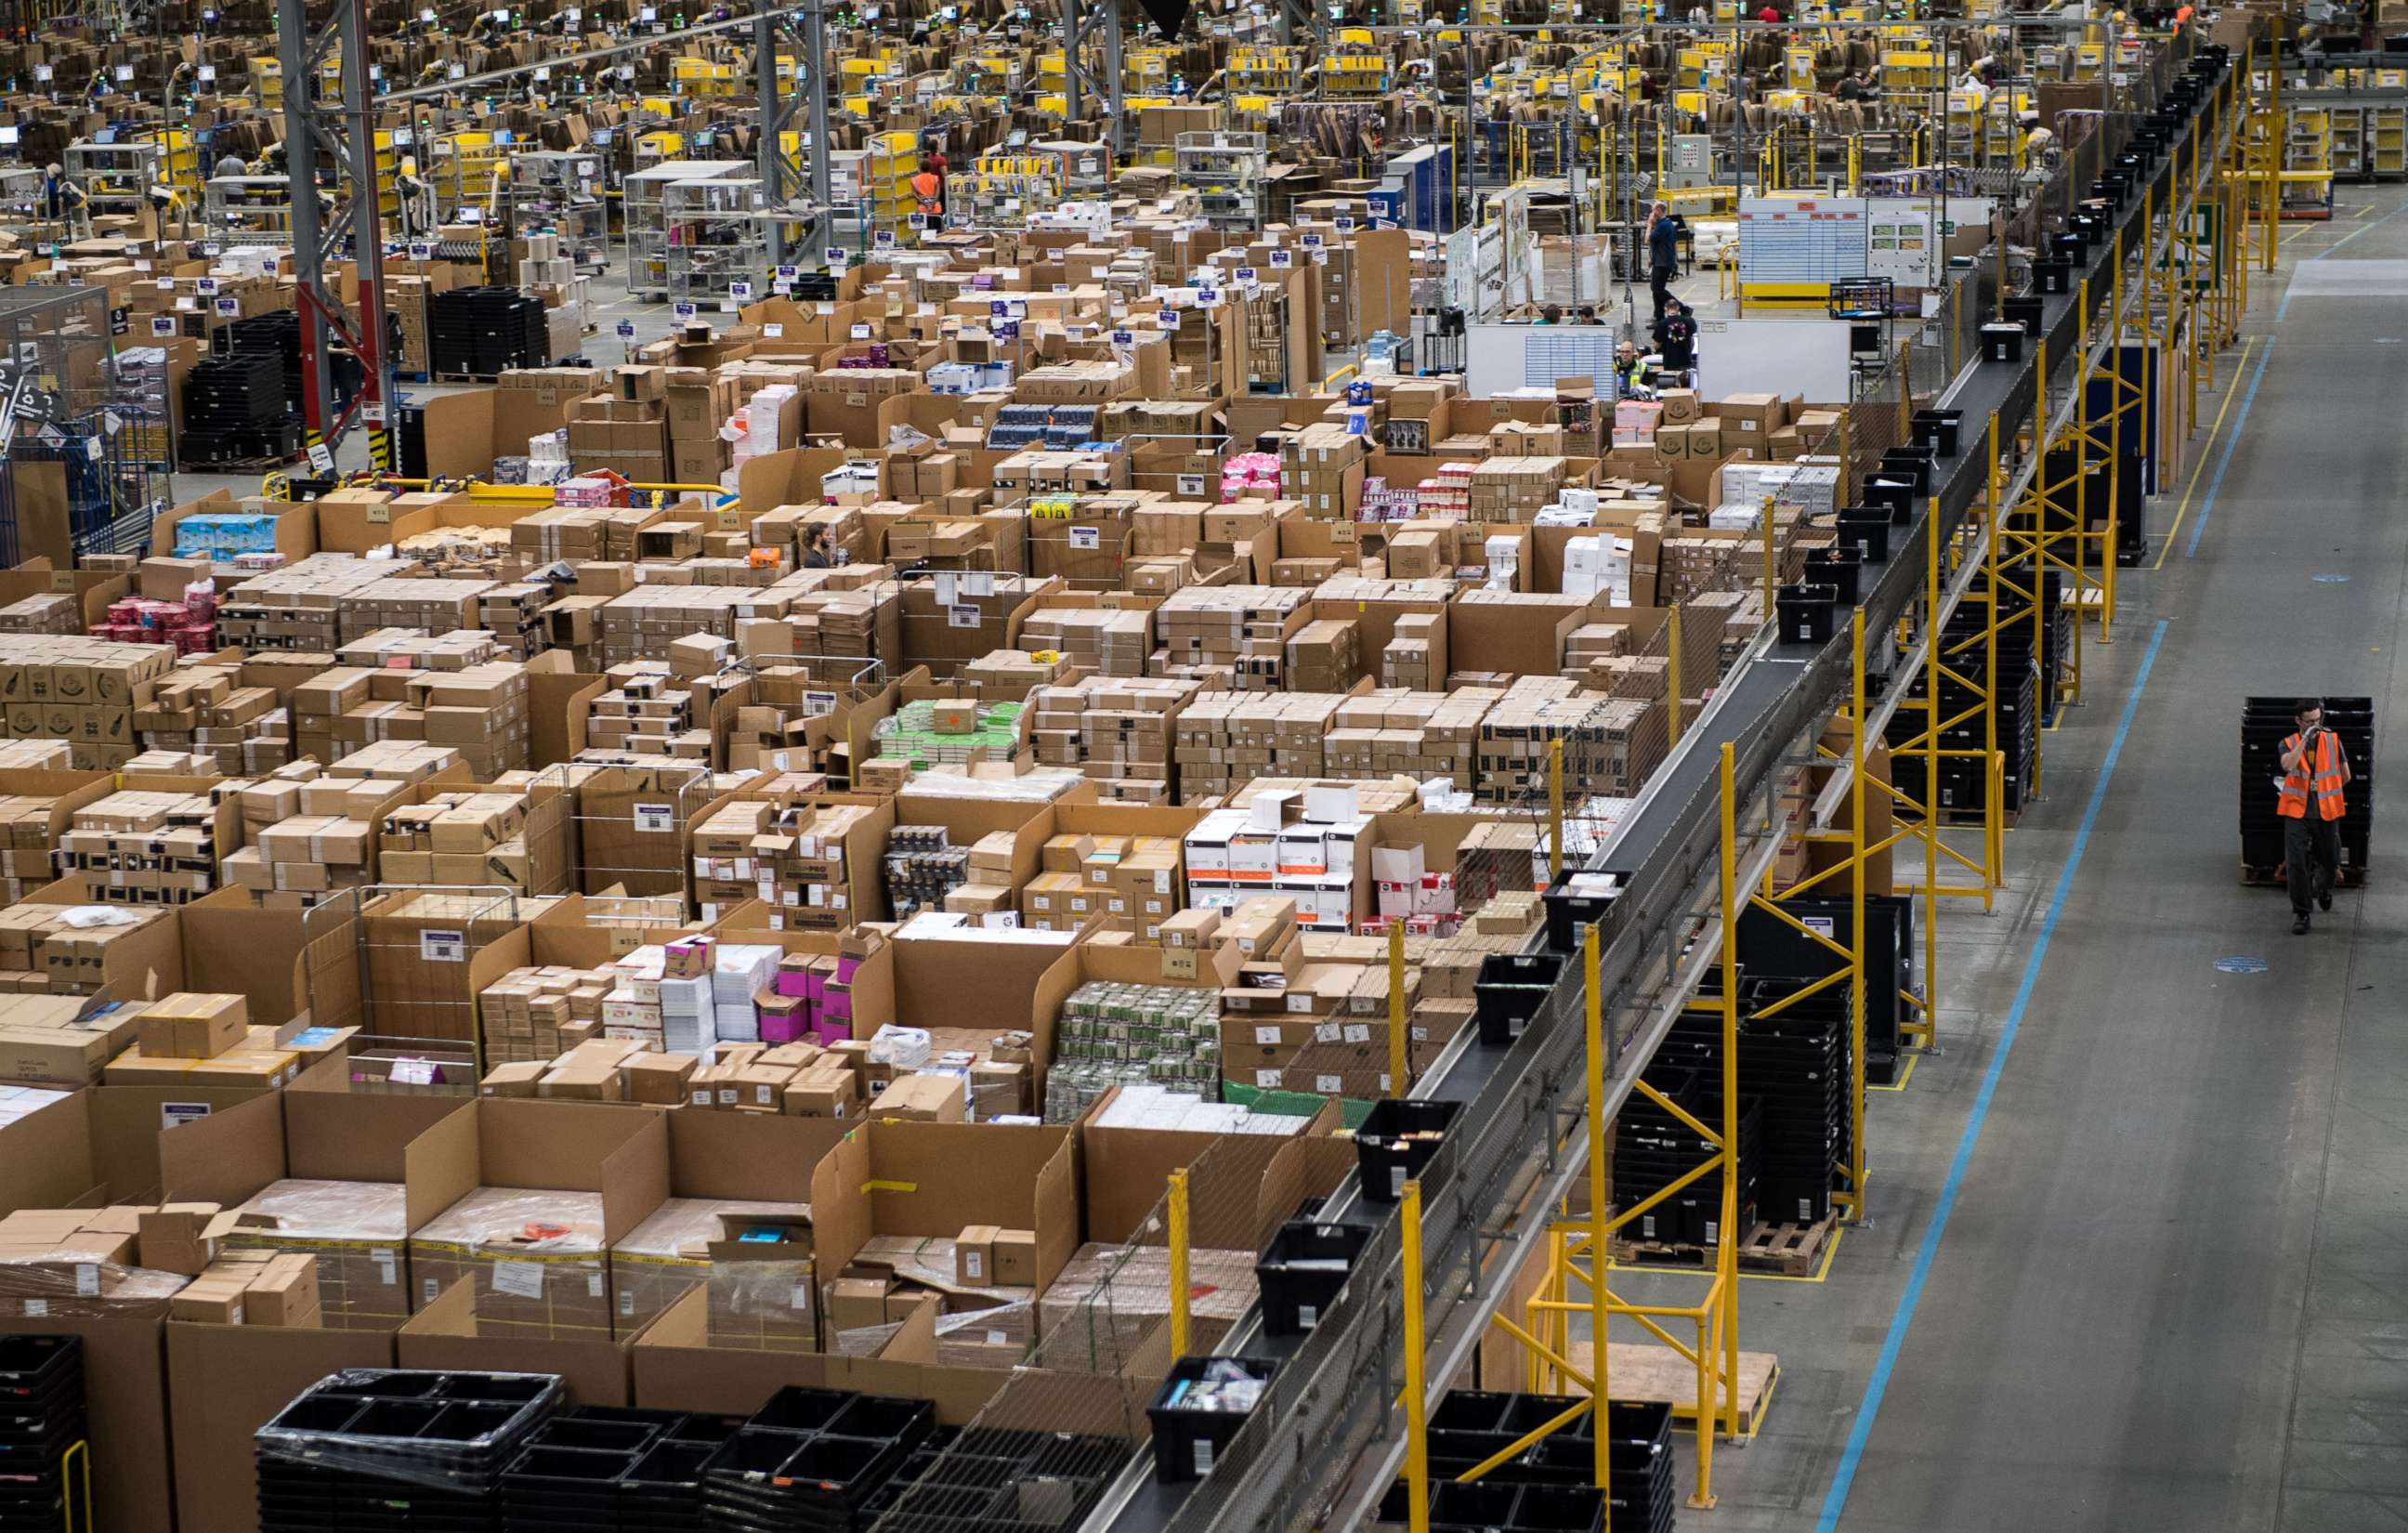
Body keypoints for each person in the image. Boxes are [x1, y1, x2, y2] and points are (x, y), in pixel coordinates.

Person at [2278, 699, 2351, 934]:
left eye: (2318, 720)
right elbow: (2288, 765)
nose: (2315, 725)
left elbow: (2345, 775)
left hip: (2326, 810)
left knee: (2330, 860)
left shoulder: (2333, 741)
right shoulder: (2288, 743)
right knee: (2296, 862)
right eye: (2310, 721)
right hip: (2296, 811)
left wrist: (2324, 789)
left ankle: (2323, 887)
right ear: (2298, 721)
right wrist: (2305, 740)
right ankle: (2302, 913)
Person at [1645, 199, 1679, 324]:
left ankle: (1682, 308)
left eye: (1653, 211)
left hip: (1663, 263)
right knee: (1656, 290)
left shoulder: (1663, 225)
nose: (1651, 214)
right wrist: (1652, 259)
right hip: (1660, 261)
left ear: (1658, 211)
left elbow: (1648, 239)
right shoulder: (1665, 223)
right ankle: (1658, 317)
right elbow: (1659, 244)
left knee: (1658, 290)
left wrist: (1649, 224)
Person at [1656, 298, 1698, 379]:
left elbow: (1657, 345)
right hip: (1686, 361)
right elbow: (1693, 341)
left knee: (1670, 385)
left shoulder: (1662, 324)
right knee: (1685, 385)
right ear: (1678, 308)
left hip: (1669, 363)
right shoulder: (1689, 321)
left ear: (1665, 309)